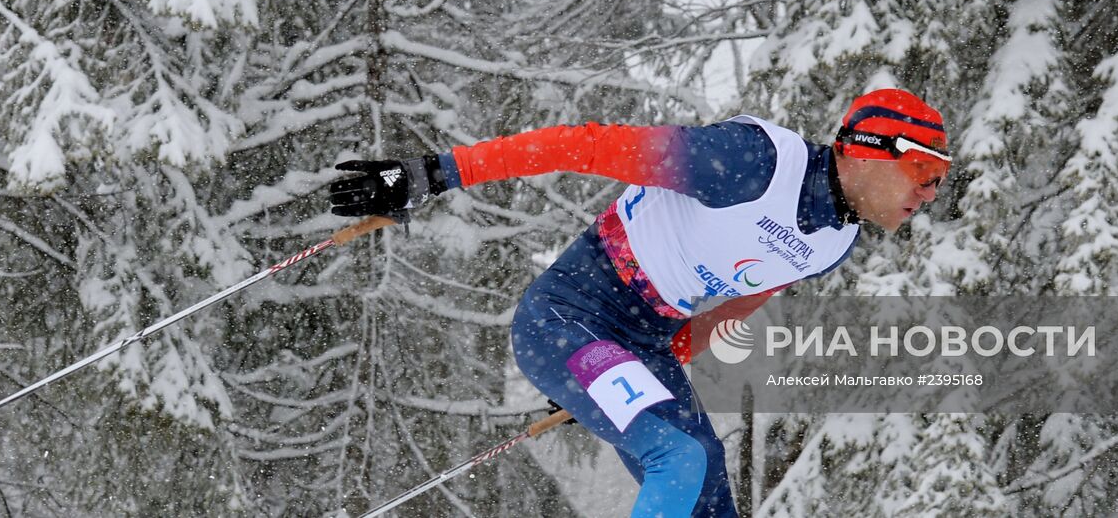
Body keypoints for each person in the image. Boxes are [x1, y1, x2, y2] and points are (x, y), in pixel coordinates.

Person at [329, 88, 950, 518]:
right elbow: (586, 146)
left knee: (708, 494)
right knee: (677, 460)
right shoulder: (752, 163)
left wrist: (628, 378)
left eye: (940, 182)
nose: (929, 193)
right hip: (568, 315)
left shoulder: (836, 240)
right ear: (871, 150)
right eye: (925, 172)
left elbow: (749, 293)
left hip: (640, 346)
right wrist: (436, 173)